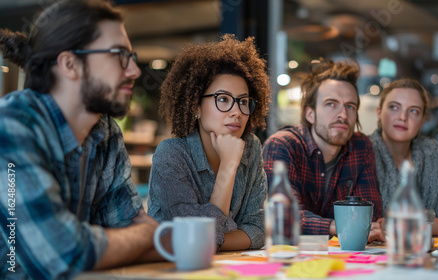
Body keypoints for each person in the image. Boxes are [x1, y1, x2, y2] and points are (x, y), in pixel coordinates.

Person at [0, 1, 166, 279]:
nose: (134, 71)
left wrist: (146, 238)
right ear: (70, 64)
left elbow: (130, 232)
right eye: (119, 55)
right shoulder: (12, 126)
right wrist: (149, 235)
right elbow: (62, 255)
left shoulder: (106, 132)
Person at [148, 34, 271, 251]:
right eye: (223, 99)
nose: (237, 112)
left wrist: (211, 242)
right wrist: (228, 166)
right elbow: (194, 238)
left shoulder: (250, 147)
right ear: (195, 106)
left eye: (243, 102)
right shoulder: (171, 155)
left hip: (229, 268)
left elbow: (260, 229)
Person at [262, 59, 384, 242]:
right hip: (289, 257)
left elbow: (369, 217)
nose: (343, 115)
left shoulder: (361, 146)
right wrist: (338, 226)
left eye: (350, 106)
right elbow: (284, 217)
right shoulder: (283, 145)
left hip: (345, 257)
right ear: (310, 113)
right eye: (331, 104)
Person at [369, 78, 438, 235]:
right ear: (379, 112)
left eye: (413, 111)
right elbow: (366, 222)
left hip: (425, 252)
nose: (403, 117)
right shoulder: (363, 149)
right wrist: (425, 222)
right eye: (394, 107)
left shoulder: (432, 152)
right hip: (373, 253)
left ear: (422, 121)